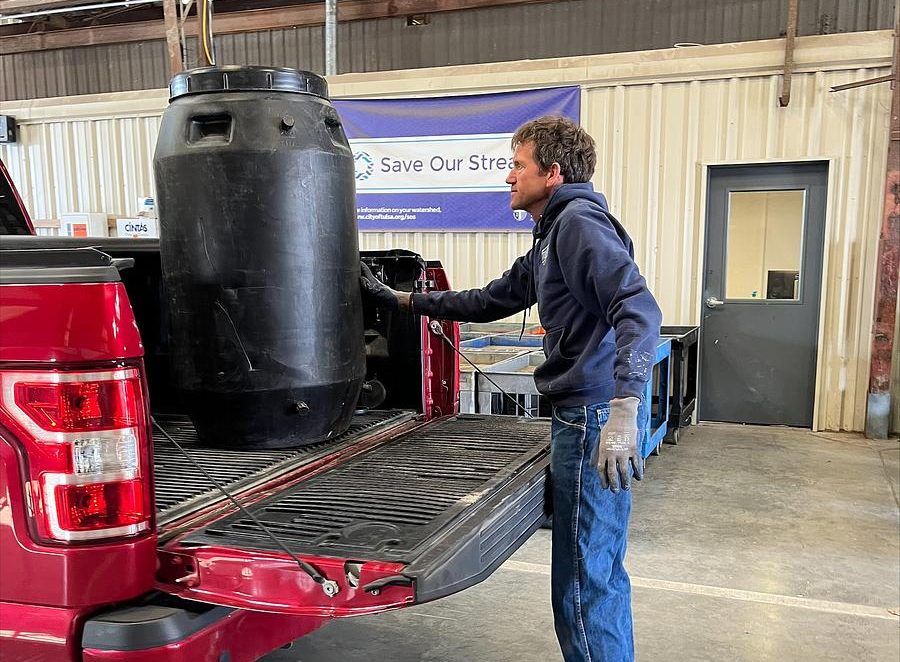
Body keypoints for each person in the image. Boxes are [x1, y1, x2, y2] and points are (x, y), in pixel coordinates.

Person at [360, 115, 662, 662]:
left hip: (597, 417)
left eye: (516, 166)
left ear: (552, 172)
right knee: (589, 567)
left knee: (583, 578)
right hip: (583, 412)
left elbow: (638, 308)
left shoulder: (578, 228)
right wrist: (403, 301)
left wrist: (624, 410)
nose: (507, 178)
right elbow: (493, 298)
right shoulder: (552, 233)